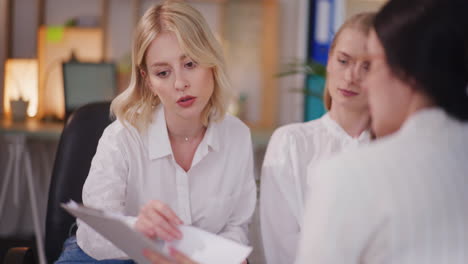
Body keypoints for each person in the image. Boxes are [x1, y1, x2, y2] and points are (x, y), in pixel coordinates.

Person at [55, 0, 256, 262]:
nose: (180, 83)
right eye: (163, 72)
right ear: (148, 80)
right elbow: (92, 236)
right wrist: (138, 228)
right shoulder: (122, 138)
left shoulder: (237, 136)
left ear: (212, 62)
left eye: (191, 64)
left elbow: (236, 227)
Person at [296, 0, 468, 263]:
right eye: (344, 61)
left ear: (406, 72)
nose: (363, 83)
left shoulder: (348, 177)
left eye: (371, 64)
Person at [260, 12, 375, 264]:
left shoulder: (394, 152)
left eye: (367, 66)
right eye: (343, 60)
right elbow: (281, 247)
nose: (350, 76)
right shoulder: (290, 144)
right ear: (330, 61)